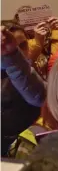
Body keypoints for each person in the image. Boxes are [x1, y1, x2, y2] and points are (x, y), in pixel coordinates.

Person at [1, 26, 44, 155]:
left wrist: (13, 55)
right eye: (14, 46)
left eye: (22, 45)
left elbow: (38, 96)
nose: (19, 51)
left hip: (28, 148)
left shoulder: (30, 76)